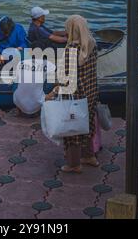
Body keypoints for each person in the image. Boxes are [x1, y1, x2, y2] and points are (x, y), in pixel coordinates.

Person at [46, 15, 100, 173]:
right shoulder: (92, 44)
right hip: (91, 92)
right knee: (87, 125)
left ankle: (74, 164)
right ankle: (89, 156)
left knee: (72, 130)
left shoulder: (71, 50)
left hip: (75, 95)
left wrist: (52, 93)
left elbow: (66, 79)